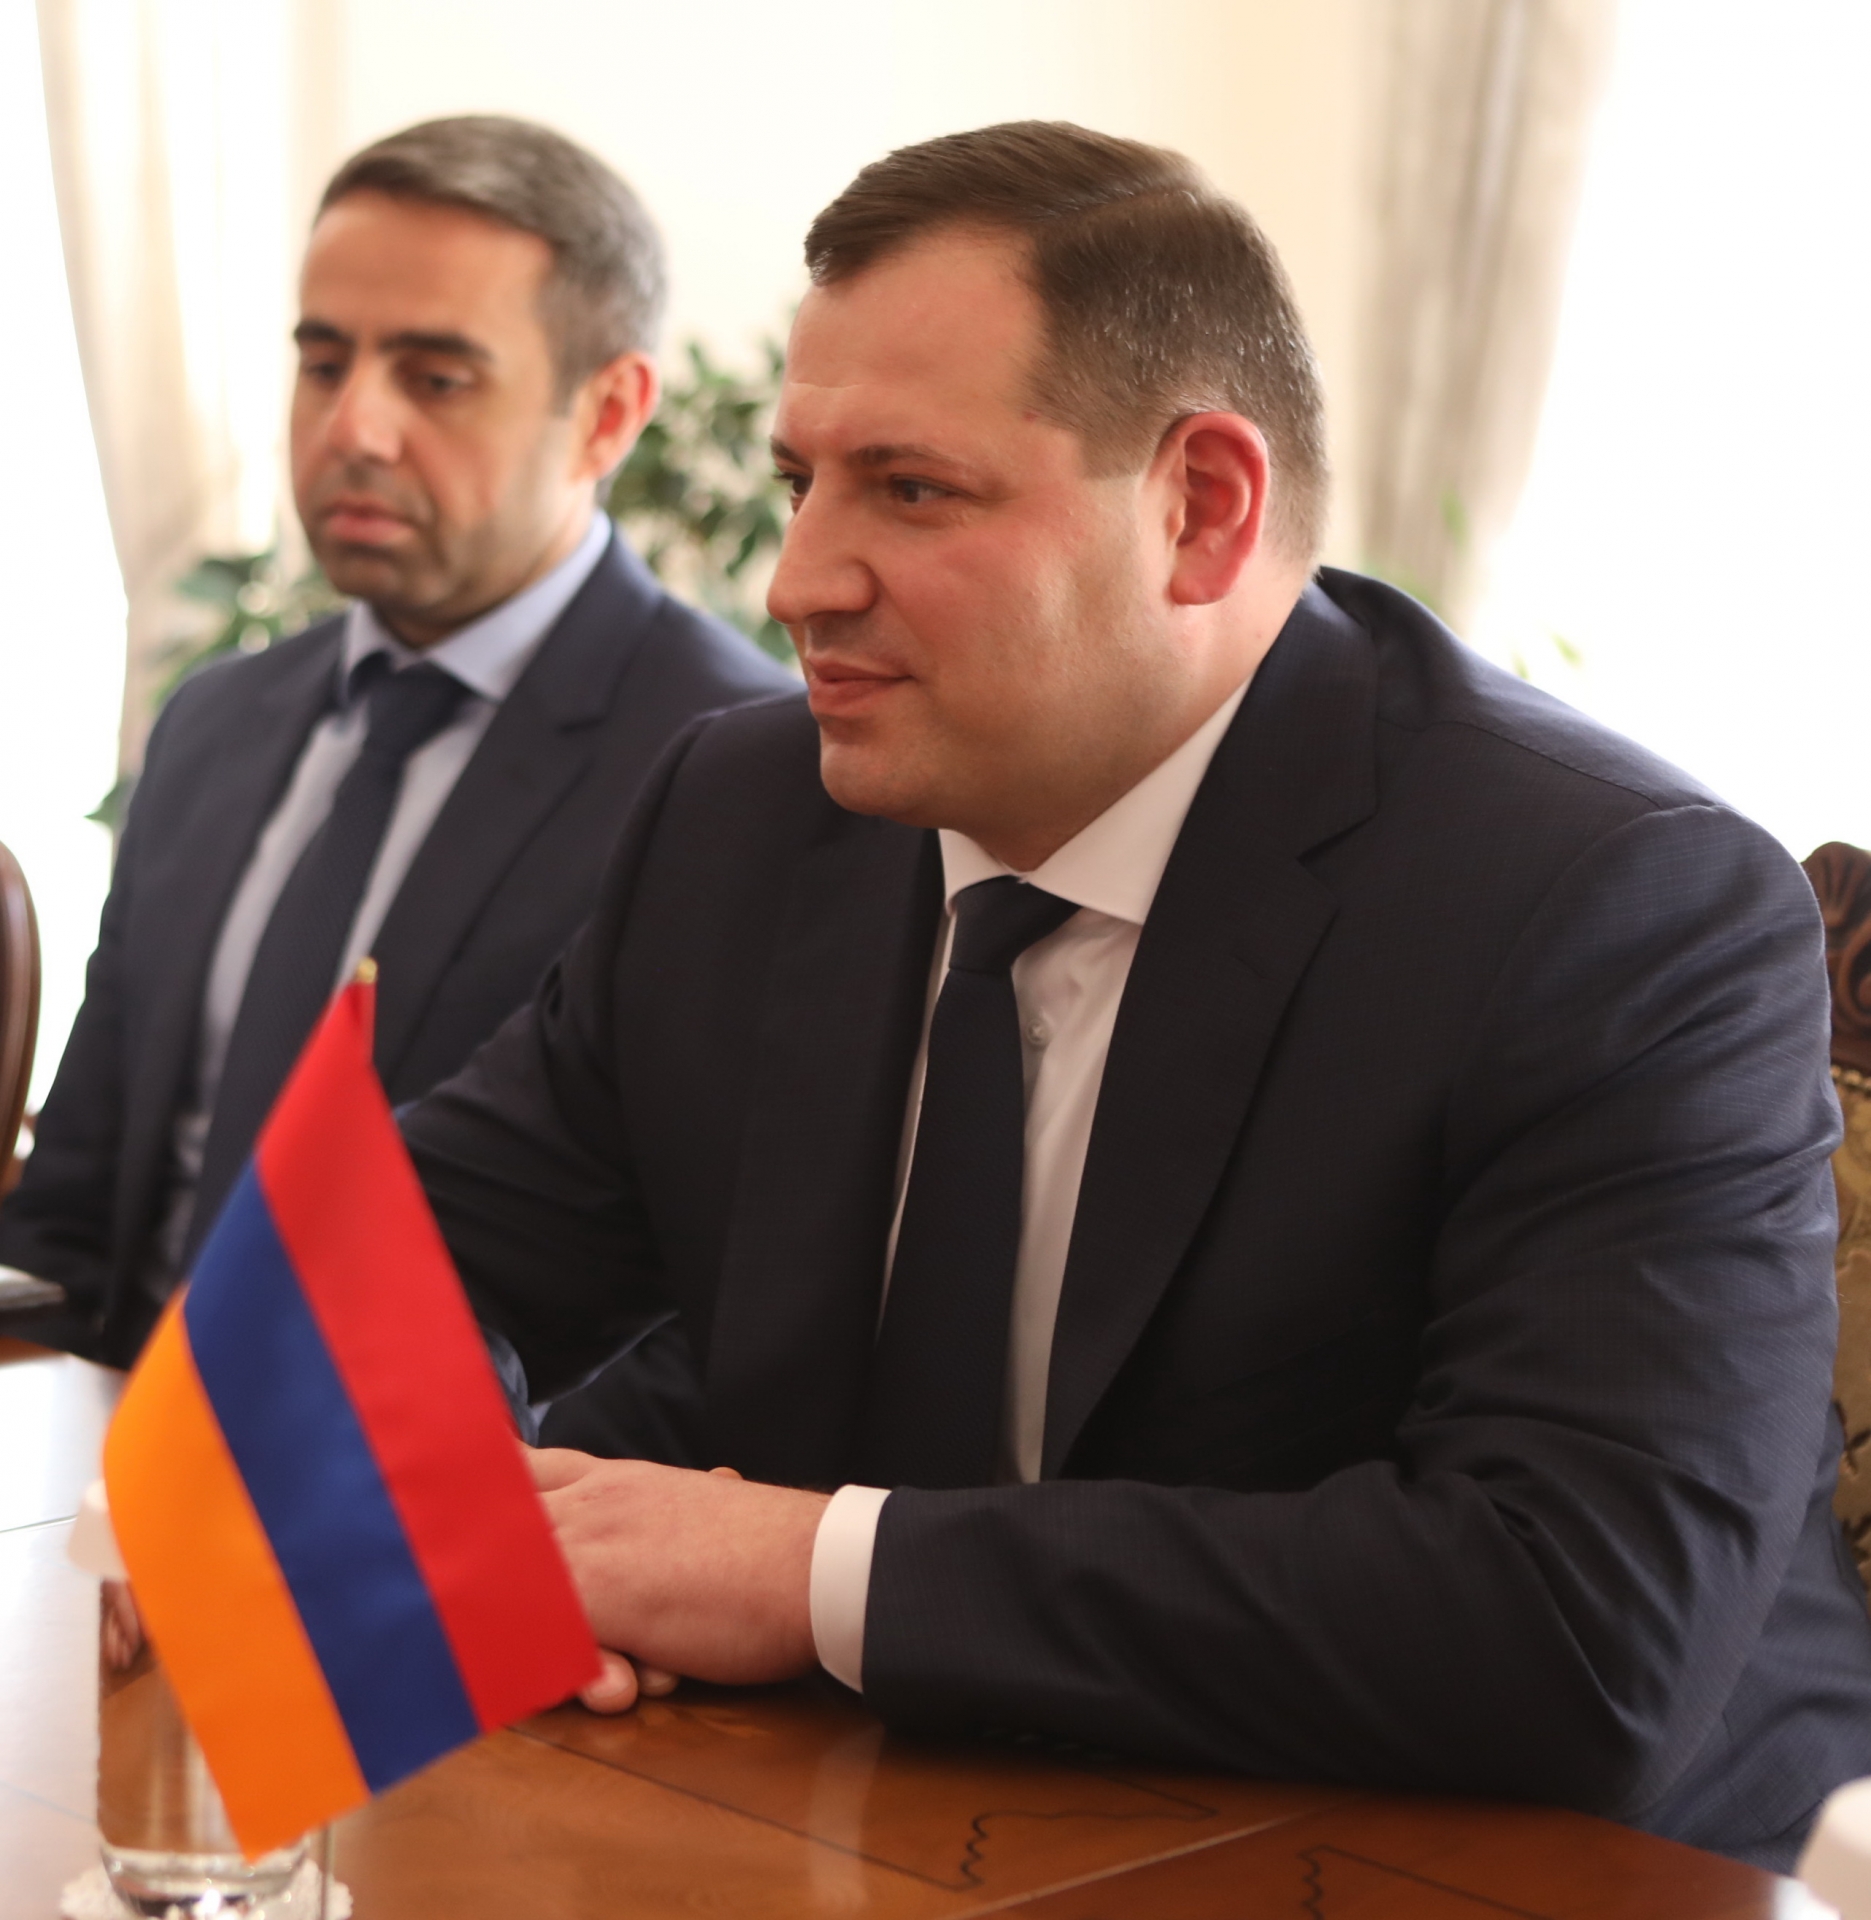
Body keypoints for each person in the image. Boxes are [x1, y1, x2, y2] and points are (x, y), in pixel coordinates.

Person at [399, 122, 1871, 1869]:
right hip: (898, 1818)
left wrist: (805, 1571)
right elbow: (395, 1257)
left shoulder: (1603, 905)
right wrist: (383, 1530)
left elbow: (1574, 1624)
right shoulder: (742, 815)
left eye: (909, 489)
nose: (795, 581)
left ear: (1202, 509)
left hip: (1525, 1870)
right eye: (800, 483)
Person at [0, 116, 791, 1366]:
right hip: (107, 1437)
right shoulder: (214, 721)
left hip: (441, 1465)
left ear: (608, 414)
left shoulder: (735, 768)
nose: (352, 428)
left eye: (434, 379)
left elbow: (693, 1312)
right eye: (324, 364)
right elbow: (74, 1208)